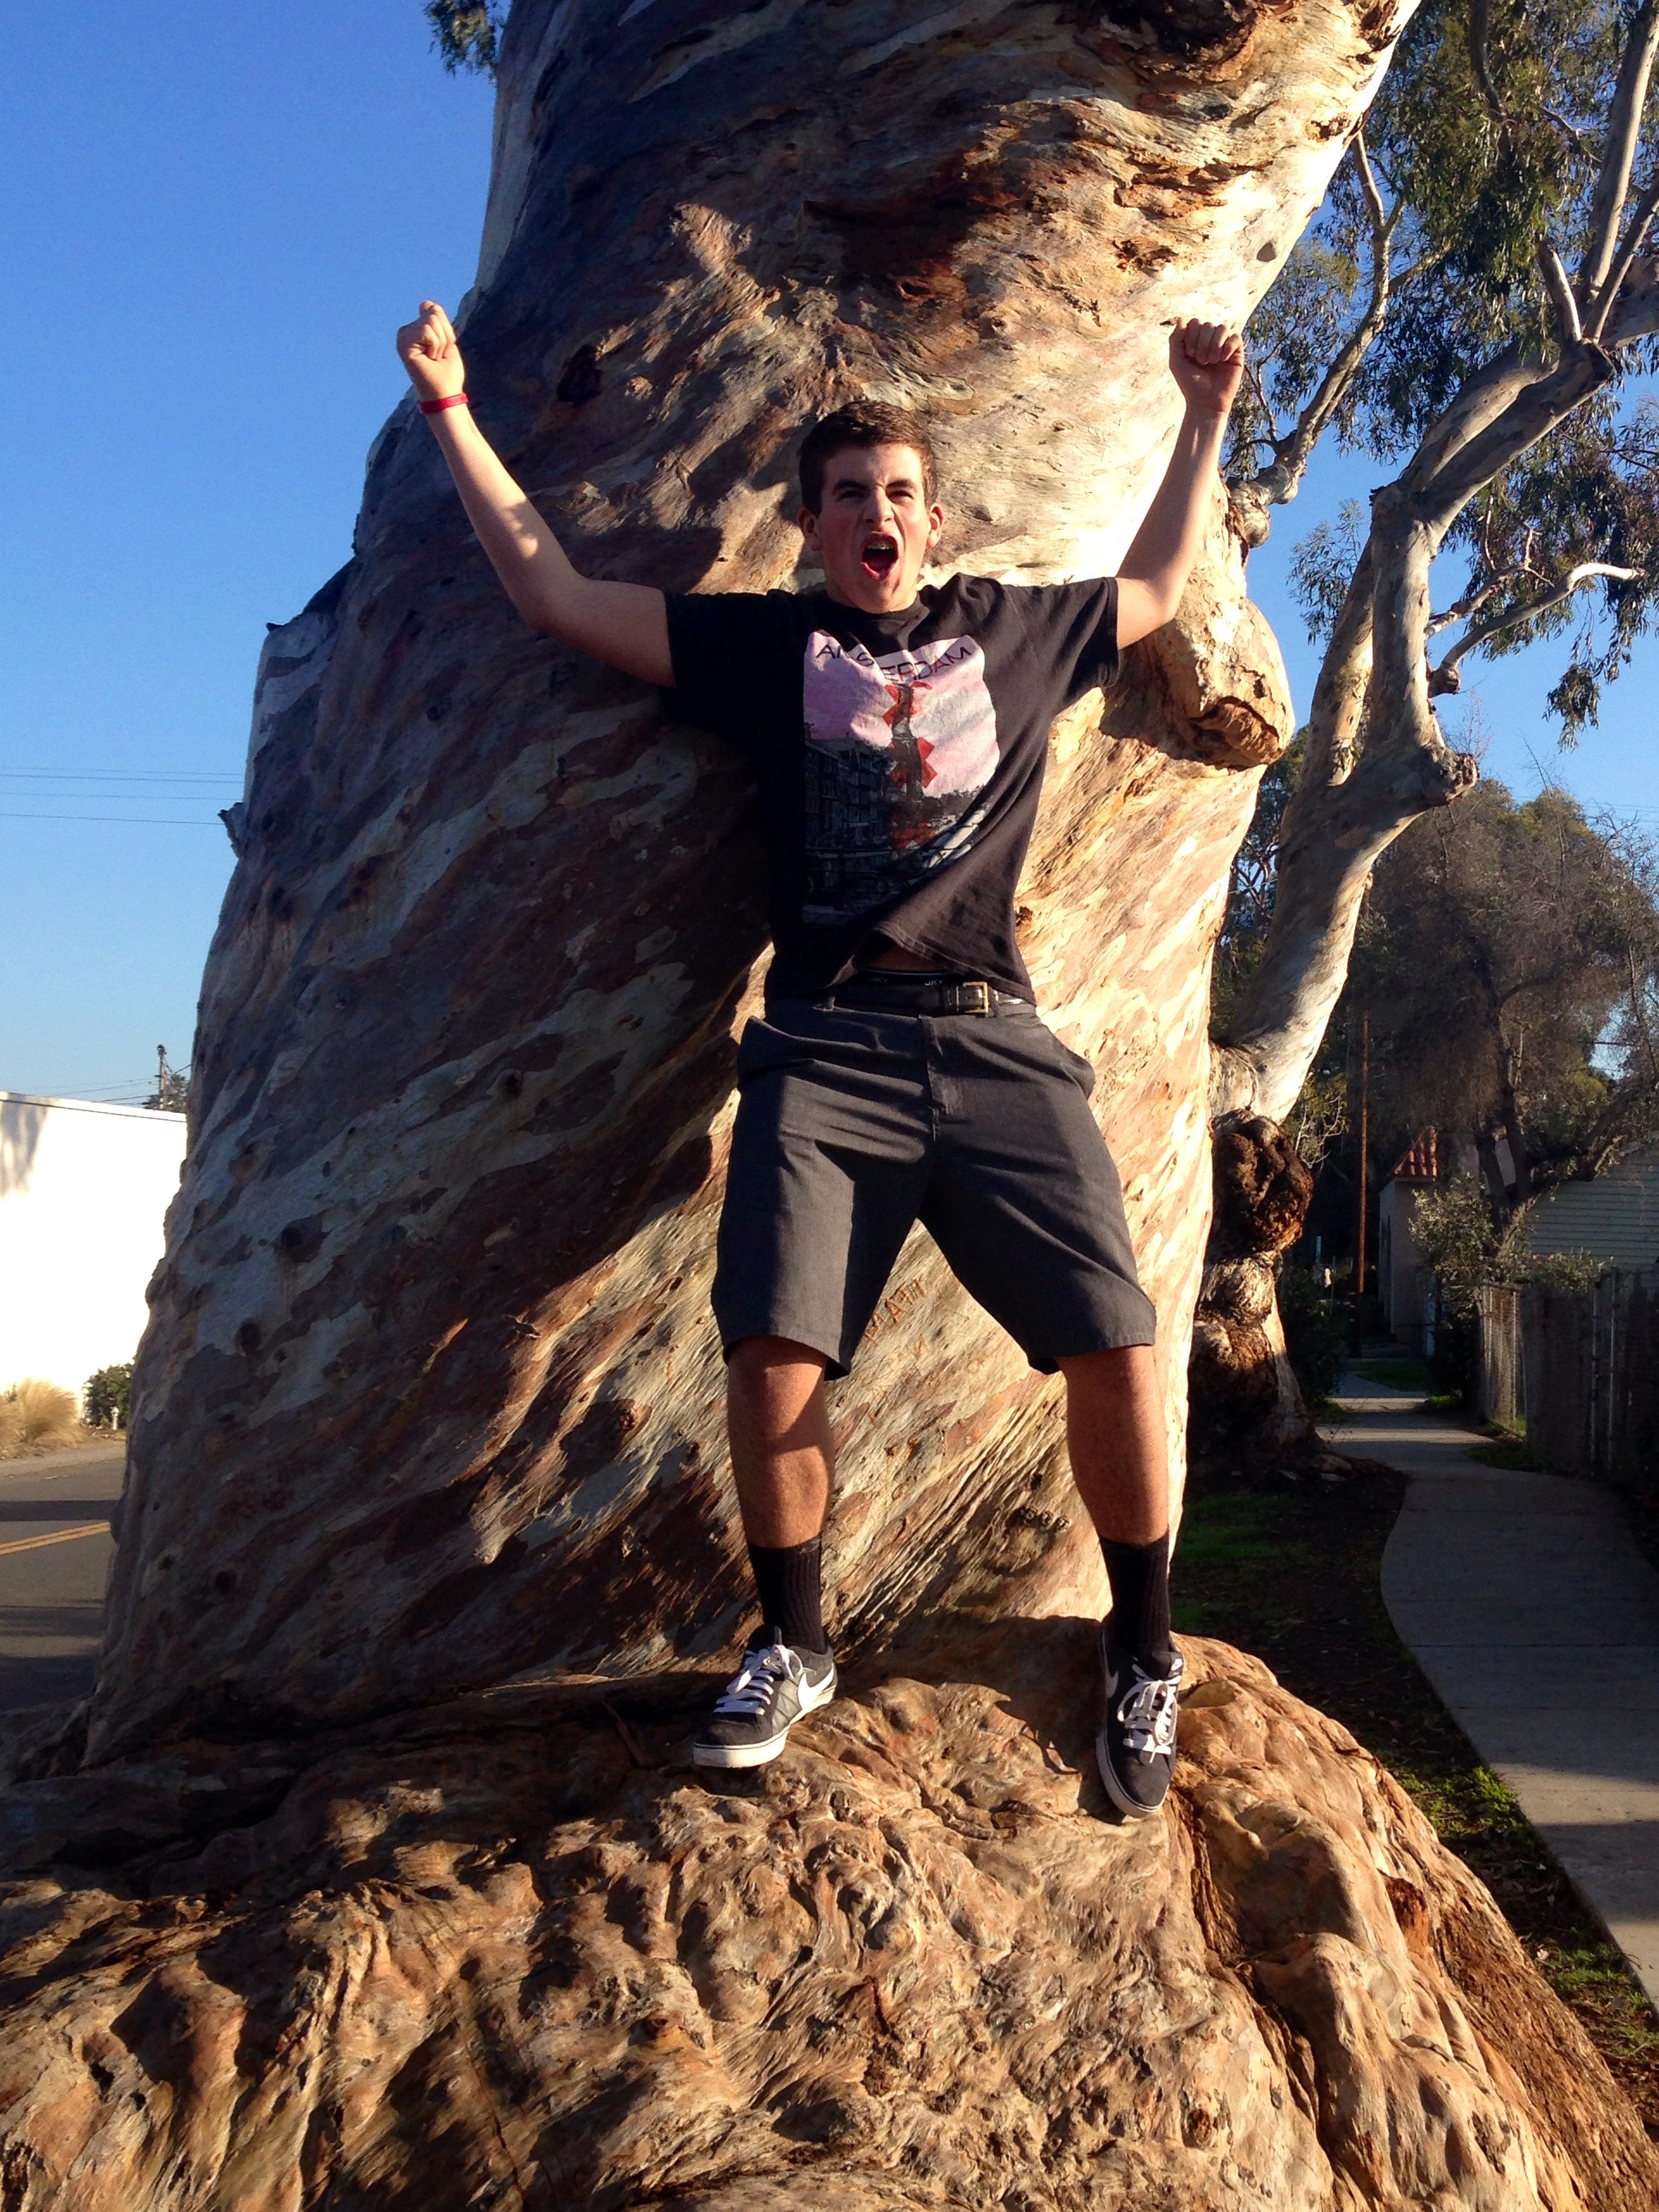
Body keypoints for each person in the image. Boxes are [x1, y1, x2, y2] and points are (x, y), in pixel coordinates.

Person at [396, 300, 1244, 1817]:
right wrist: (453, 410)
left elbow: (1157, 583)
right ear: (812, 525)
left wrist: (1202, 417)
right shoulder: (767, 647)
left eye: (900, 492)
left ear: (936, 520)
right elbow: (552, 593)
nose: (877, 514)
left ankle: (1142, 1646)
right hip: (823, 1052)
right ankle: (793, 1642)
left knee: (1118, 1341)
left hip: (994, 1041)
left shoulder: (1014, 631)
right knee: (772, 1347)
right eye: (849, 494)